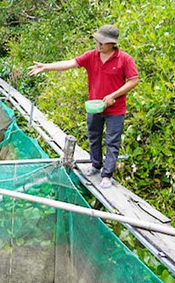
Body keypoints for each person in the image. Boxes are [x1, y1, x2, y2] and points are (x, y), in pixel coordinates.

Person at [28, 24, 139, 189]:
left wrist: (113, 96)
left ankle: (107, 175)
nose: (99, 44)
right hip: (94, 107)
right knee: (93, 136)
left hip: (115, 110)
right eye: (97, 41)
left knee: (112, 141)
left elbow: (133, 80)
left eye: (102, 42)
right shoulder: (91, 56)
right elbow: (69, 63)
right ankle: (95, 165)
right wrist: (46, 67)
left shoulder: (124, 59)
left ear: (112, 43)